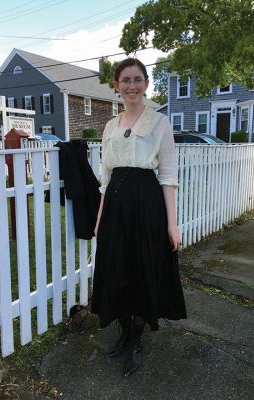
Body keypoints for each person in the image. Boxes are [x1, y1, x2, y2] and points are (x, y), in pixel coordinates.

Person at [91, 58, 187, 377]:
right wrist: (99, 218)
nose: (132, 86)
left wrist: (172, 224)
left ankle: (136, 339)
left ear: (146, 84)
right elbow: (105, 178)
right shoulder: (109, 126)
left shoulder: (160, 123)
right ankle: (124, 332)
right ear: (116, 86)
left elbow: (169, 176)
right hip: (115, 205)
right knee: (117, 270)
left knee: (143, 268)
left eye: (137, 79)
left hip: (146, 204)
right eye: (125, 80)